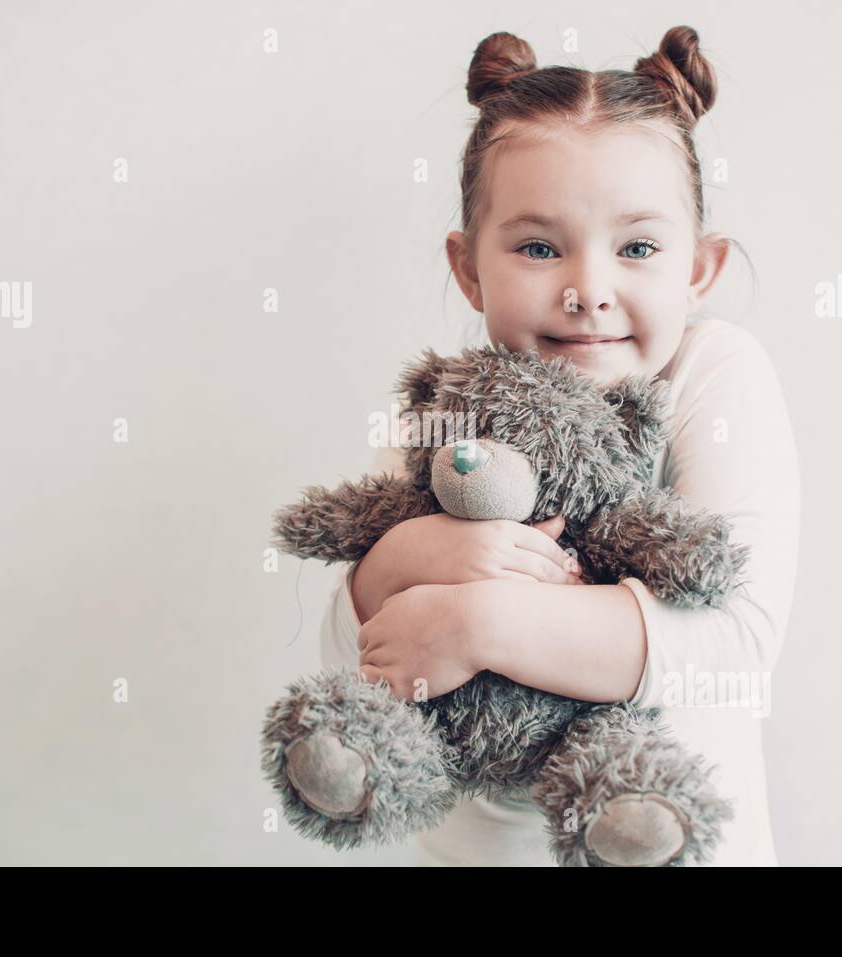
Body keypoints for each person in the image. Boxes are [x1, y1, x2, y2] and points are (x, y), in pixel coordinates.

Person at [319, 26, 800, 866]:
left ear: (697, 270)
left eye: (639, 248)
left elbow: (734, 642)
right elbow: (355, 650)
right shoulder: (446, 403)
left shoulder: (712, 374)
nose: (588, 291)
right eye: (538, 248)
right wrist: (408, 555)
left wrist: (480, 619)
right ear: (469, 269)